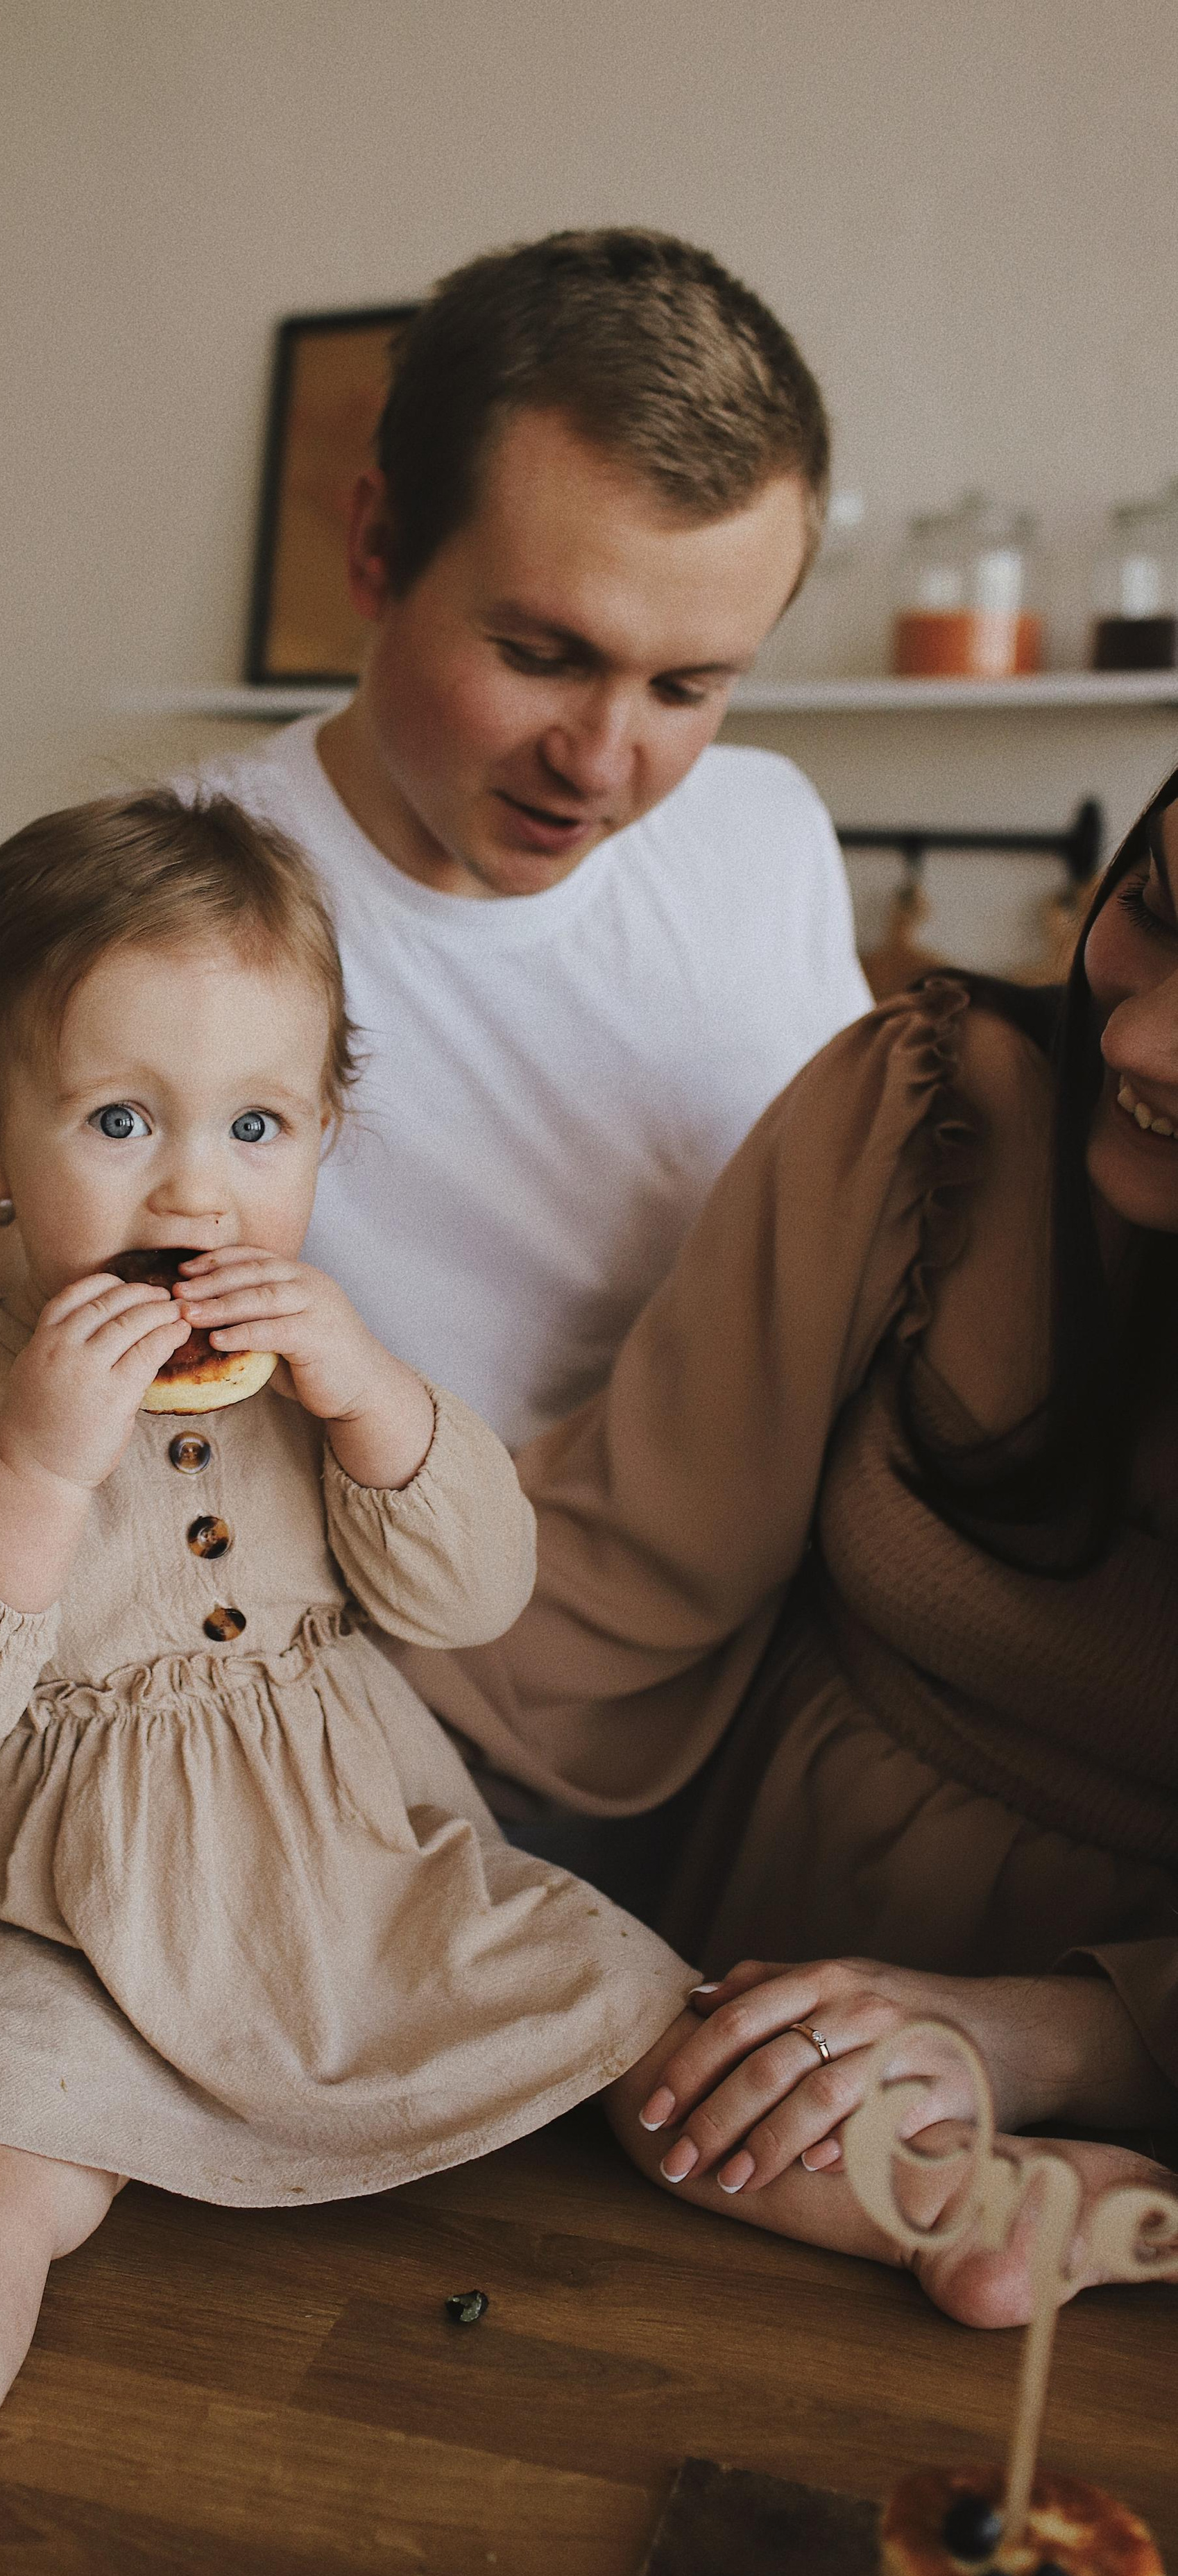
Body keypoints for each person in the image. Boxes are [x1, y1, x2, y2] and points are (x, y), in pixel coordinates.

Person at [0, 227, 871, 2459]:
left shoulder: (770, 843)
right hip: (208, 1820)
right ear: (370, 542)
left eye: (697, 682)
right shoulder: (150, 947)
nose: (613, 760)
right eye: (542, 651)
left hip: (597, 1815)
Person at [0, 791, 699, 2576]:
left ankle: (955, 2197)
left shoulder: (331, 1366)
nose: (196, 1192)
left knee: (640, 2003)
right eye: (122, 1123)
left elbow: (470, 1592)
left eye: (257, 1127)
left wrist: (374, 1404)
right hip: (52, 1911)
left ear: (325, 1137)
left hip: (355, 1874)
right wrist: (34, 1468)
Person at [402, 772, 1178, 2270]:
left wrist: (1058, 2039)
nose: (1135, 1038)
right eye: (1149, 910)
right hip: (750, 2014)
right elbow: (598, 1592)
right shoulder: (936, 1109)